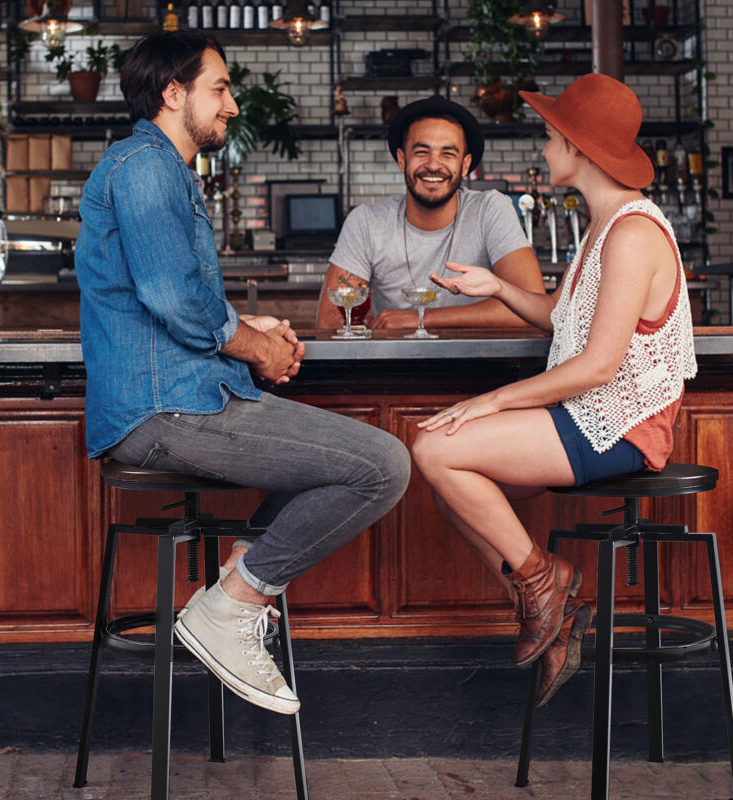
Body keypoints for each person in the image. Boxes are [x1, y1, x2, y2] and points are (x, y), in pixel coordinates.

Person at [75, 30, 410, 716]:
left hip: (186, 396)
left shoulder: (166, 168)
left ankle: (237, 582)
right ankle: (231, 604)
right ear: (175, 93)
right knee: (382, 465)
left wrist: (251, 331)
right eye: (219, 89)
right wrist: (253, 347)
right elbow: (169, 296)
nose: (231, 105)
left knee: (363, 463)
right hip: (162, 409)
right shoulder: (144, 164)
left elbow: (185, 293)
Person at [411, 74, 697, 707]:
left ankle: (547, 580)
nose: (543, 148)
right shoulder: (604, 225)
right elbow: (565, 321)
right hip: (586, 416)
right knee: (447, 476)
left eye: (549, 136)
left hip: (618, 425)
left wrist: (489, 401)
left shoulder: (631, 234)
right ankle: (551, 607)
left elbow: (598, 366)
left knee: (435, 449)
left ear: (577, 146)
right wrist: (499, 288)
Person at [316, 95, 545, 330]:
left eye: (448, 153)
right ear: (402, 160)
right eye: (421, 152)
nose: (434, 165)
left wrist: (420, 320)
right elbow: (330, 321)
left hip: (483, 363)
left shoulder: (491, 209)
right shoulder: (367, 222)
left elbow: (533, 308)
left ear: (465, 165)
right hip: (393, 364)